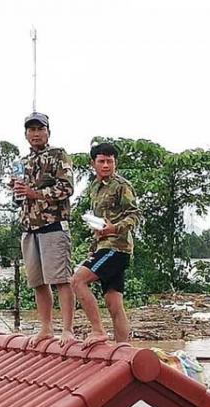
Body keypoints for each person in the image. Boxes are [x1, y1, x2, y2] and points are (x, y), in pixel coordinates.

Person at [12, 112, 75, 346]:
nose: (35, 133)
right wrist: (17, 191)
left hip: (53, 225)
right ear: (26, 134)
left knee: (61, 279)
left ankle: (67, 329)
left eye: (40, 129)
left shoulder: (59, 155)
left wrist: (35, 193)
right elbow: (17, 199)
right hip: (29, 227)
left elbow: (67, 188)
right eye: (31, 130)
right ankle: (46, 328)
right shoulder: (20, 163)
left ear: (48, 131)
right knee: (37, 282)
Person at [70, 142, 140, 348]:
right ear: (93, 164)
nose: (106, 165)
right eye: (102, 161)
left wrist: (114, 228)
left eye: (110, 161)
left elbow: (135, 215)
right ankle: (123, 349)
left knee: (77, 281)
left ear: (115, 163)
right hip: (102, 246)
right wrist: (96, 239)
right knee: (113, 303)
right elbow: (99, 221)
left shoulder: (121, 186)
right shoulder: (94, 188)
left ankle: (98, 330)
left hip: (116, 247)